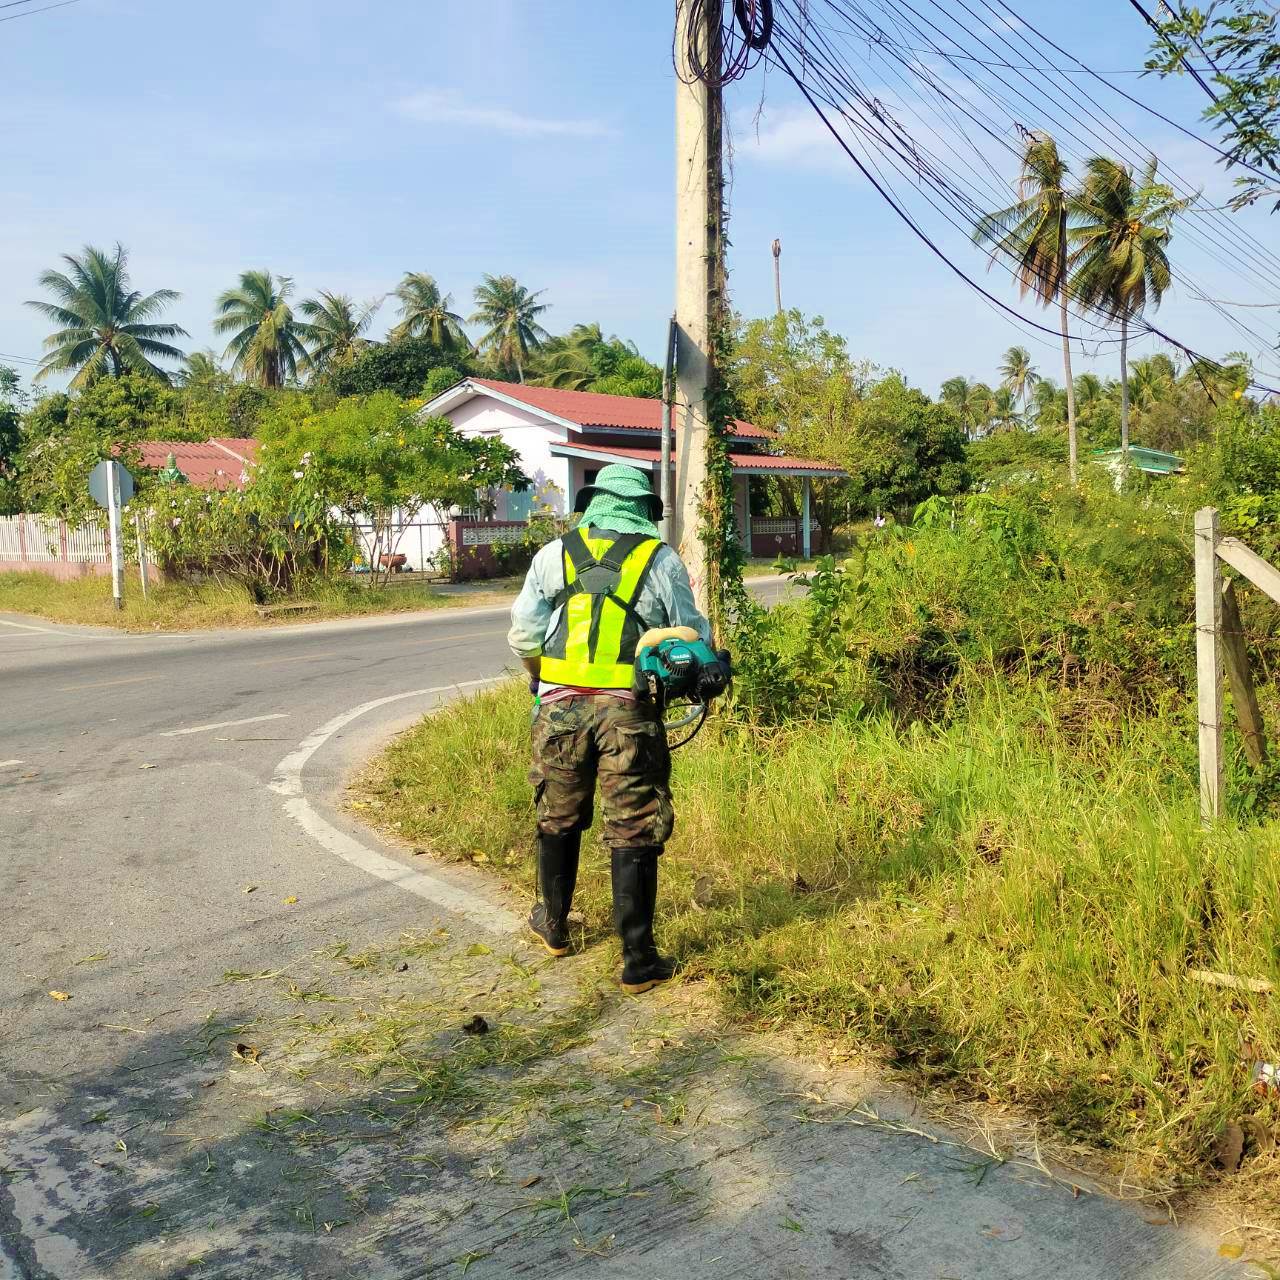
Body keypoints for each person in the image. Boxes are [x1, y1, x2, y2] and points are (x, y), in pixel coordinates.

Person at [507, 464, 712, 994]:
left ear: (594, 504)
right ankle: (638, 961)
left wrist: (542, 682)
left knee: (558, 814)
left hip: (559, 711)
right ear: (644, 509)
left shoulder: (553, 555)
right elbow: (694, 633)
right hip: (630, 714)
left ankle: (553, 927)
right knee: (634, 825)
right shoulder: (660, 559)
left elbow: (525, 637)